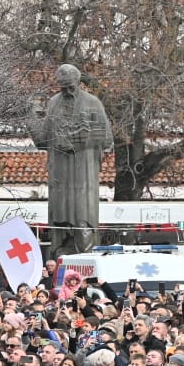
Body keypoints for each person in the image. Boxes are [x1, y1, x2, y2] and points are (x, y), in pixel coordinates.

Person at [29, 63, 113, 259]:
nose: (66, 91)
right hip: (60, 175)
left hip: (84, 174)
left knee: (83, 221)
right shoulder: (53, 103)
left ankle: (86, 261)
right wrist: (29, 117)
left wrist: (78, 141)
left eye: (70, 87)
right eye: (63, 87)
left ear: (78, 81)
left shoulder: (92, 103)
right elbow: (43, 141)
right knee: (59, 223)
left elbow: (107, 139)